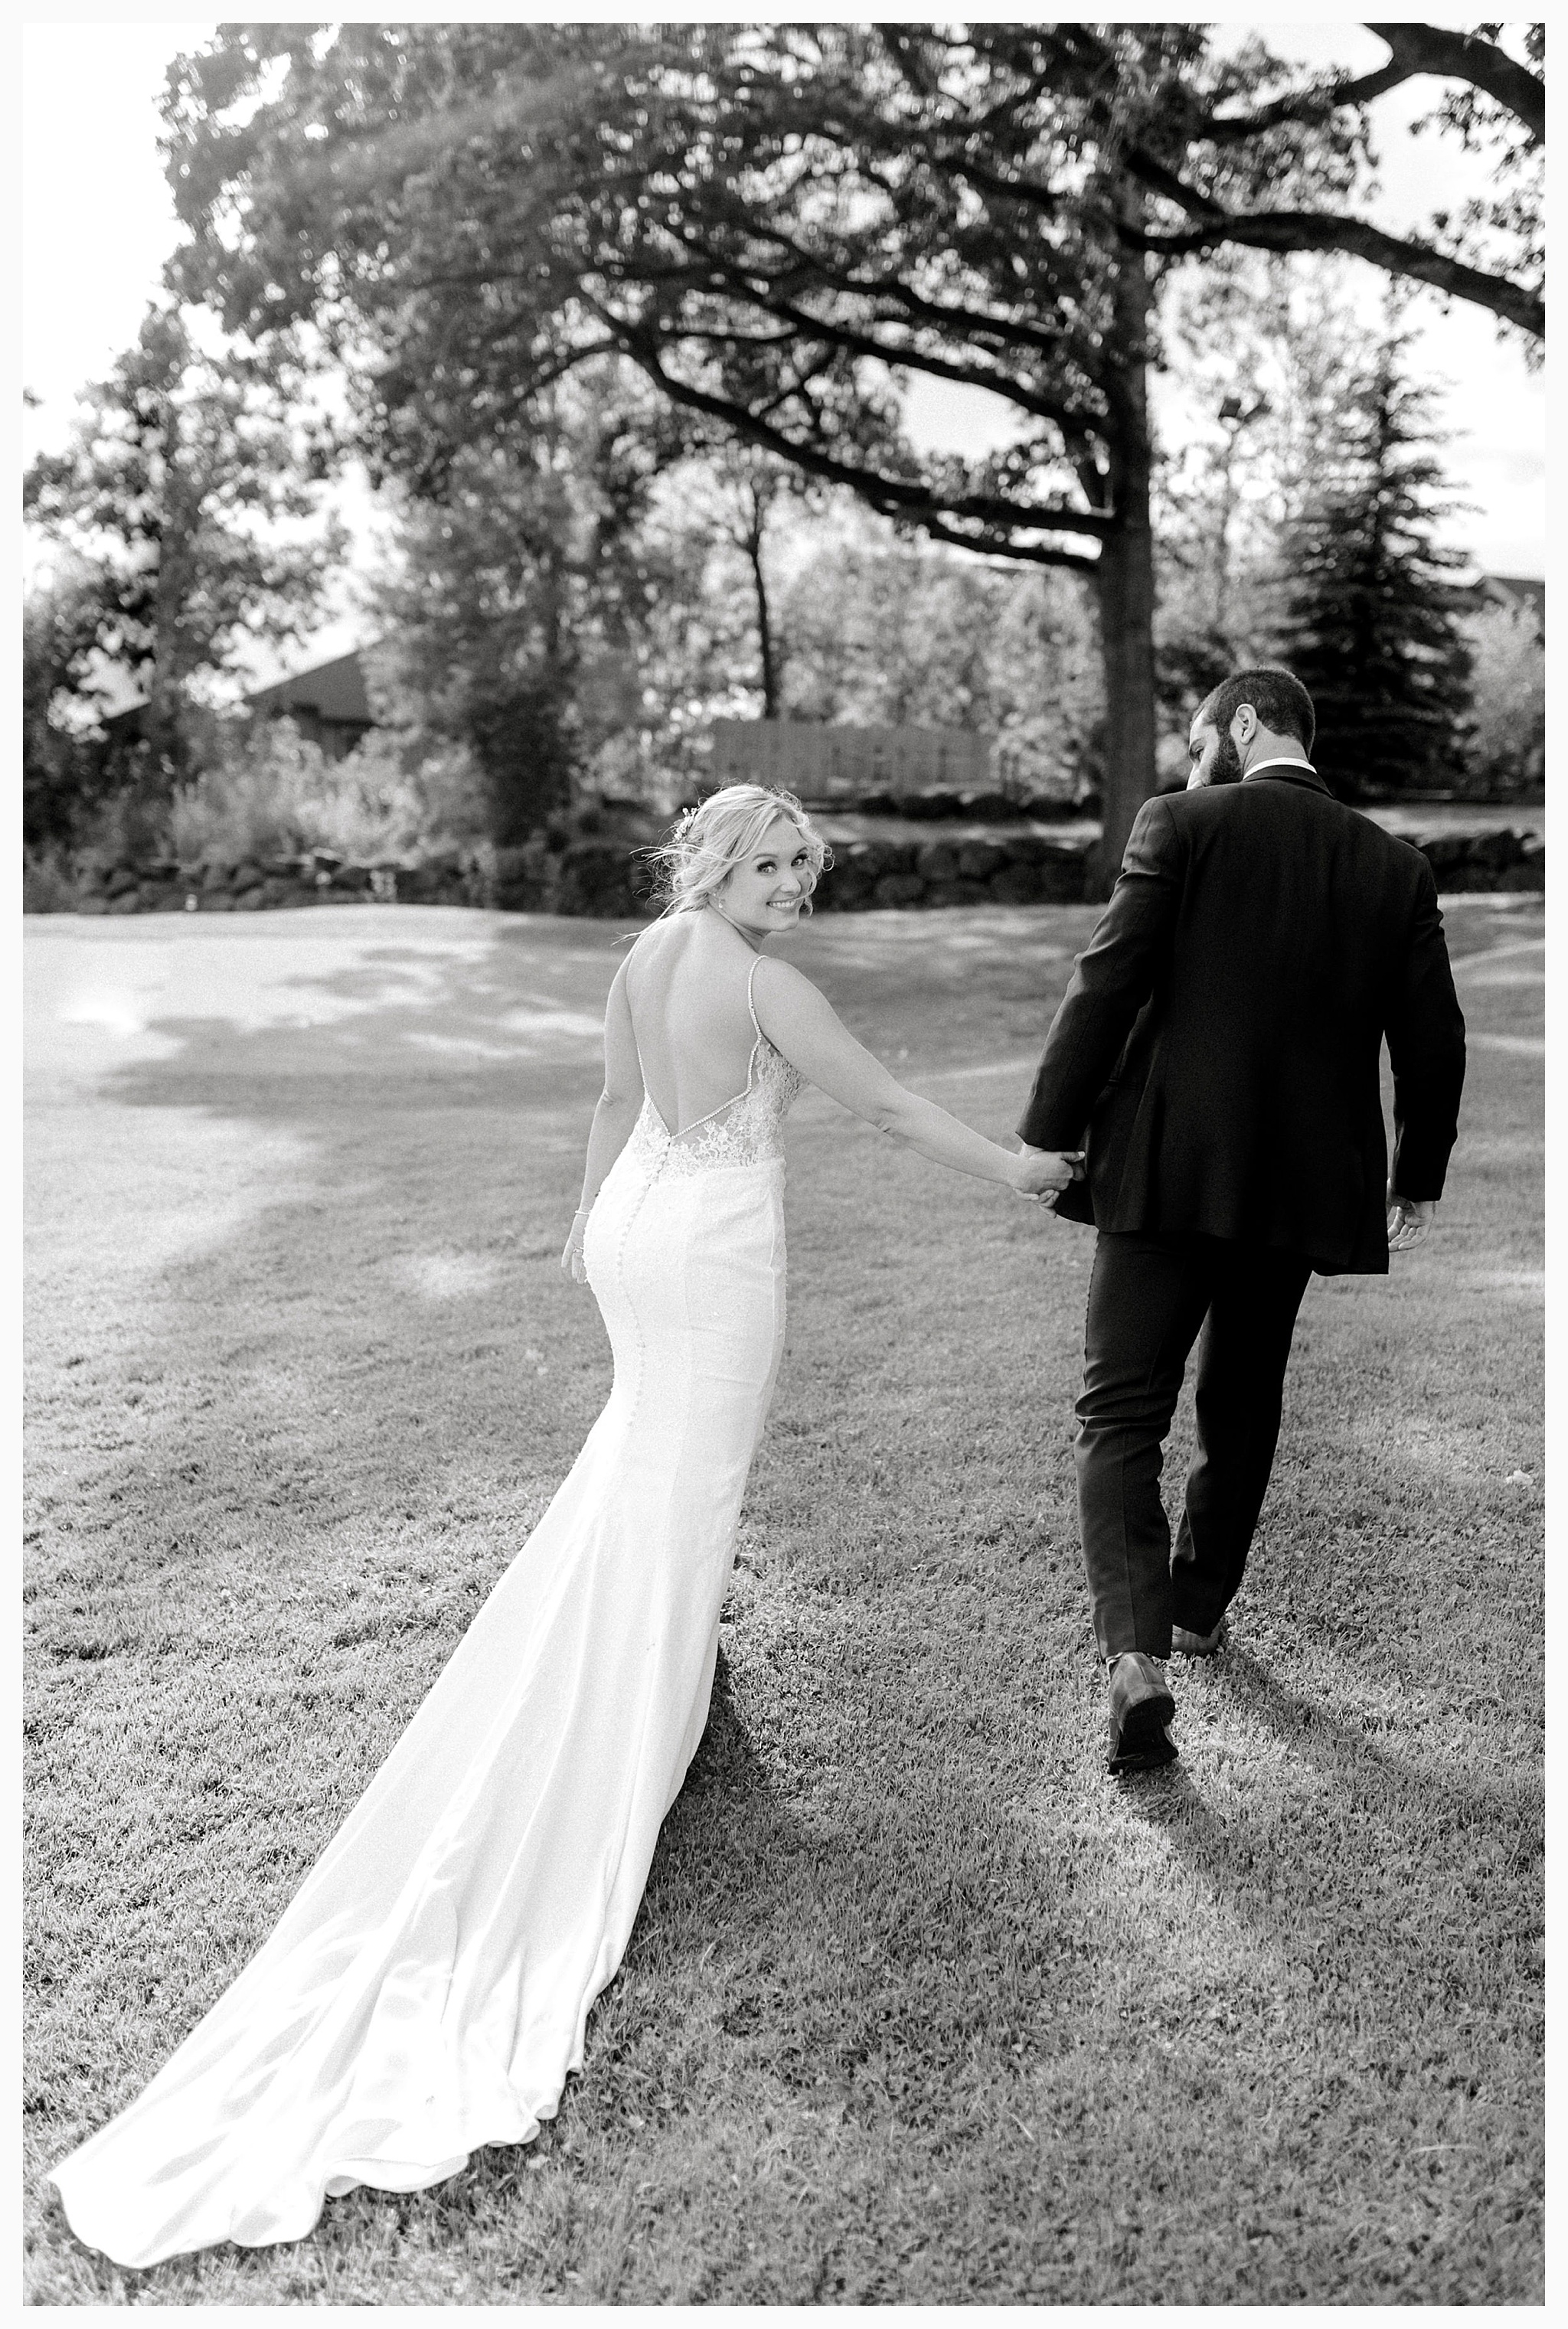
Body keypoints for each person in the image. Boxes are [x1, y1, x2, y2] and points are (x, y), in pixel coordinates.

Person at [50, 782, 1080, 2268]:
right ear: (715, 861)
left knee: (640, 1459)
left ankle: (667, 1678)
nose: (795, 882)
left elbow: (609, 1103)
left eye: (803, 864)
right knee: (689, 1476)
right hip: (713, 1245)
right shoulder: (765, 982)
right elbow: (888, 1106)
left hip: (633, 1227)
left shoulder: (645, 954)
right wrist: (1017, 1171)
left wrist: (581, 1220)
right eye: (769, 860)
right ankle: (646, 1711)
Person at [1017, 666, 1467, 1775]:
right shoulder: (1393, 866)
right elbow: (1434, 1039)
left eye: (1197, 738)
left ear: (1245, 723)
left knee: (1120, 1411)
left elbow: (1105, 984)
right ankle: (1199, 1608)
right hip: (1300, 1185)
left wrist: (1046, 1132)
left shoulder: (1181, 823)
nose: (1188, 760)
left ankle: (1135, 1653)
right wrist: (1418, 1173)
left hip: (1166, 1168)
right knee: (1244, 1395)